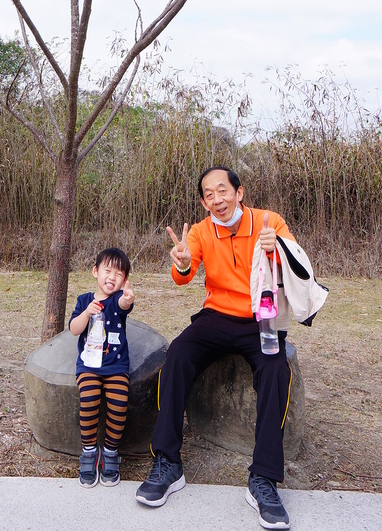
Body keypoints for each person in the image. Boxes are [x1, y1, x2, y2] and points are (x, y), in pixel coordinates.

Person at [135, 166, 295, 530]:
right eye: (208, 195)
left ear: (239, 192)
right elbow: (183, 275)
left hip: (260, 318)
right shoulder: (201, 231)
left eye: (222, 191)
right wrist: (183, 263)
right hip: (216, 316)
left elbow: (295, 268)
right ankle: (168, 464)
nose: (217, 200)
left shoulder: (271, 222)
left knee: (276, 369)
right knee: (176, 354)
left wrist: (277, 251)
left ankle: (263, 479)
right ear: (203, 202)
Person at [69, 247, 135, 488]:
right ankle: (89, 452)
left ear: (124, 280)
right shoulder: (84, 300)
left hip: (116, 366)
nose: (112, 277)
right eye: (107, 271)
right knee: (88, 400)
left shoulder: (118, 301)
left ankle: (109, 452)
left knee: (119, 404)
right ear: (95, 271)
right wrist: (87, 313)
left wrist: (127, 299)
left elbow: (124, 304)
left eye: (119, 274)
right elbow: (74, 329)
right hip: (89, 365)